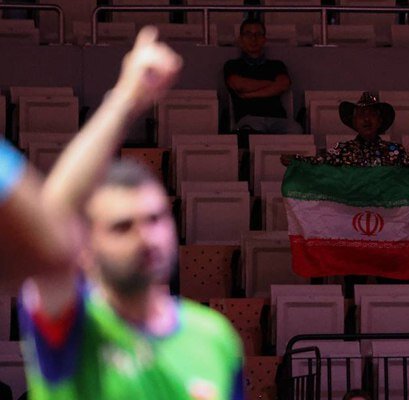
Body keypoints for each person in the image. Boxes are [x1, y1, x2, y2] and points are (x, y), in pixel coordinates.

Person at [11, 27, 243, 399]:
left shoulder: (215, 338)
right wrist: (127, 97)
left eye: (156, 219)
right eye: (122, 227)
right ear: (85, 248)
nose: (145, 237)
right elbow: (51, 219)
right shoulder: (72, 323)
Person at [282, 92, 409, 296]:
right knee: (354, 287)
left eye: (371, 114)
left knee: (392, 289)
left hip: (389, 232)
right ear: (354, 121)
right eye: (361, 115)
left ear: (380, 120)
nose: (366, 119)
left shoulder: (395, 151)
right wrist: (296, 162)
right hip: (352, 231)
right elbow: (318, 164)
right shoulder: (342, 151)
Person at [224, 18, 303, 134]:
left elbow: (283, 85)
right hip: (249, 119)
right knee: (252, 132)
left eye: (258, 34)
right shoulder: (232, 65)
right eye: (248, 34)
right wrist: (271, 84)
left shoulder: (276, 65)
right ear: (240, 39)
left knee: (296, 129)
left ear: (264, 39)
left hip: (278, 119)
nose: (253, 39)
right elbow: (239, 84)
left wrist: (249, 95)